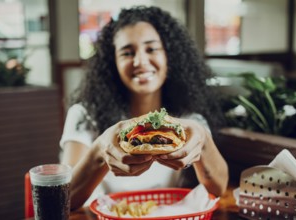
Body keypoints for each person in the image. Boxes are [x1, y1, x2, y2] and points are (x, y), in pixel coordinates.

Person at [60, 5, 229, 210]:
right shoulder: (85, 115)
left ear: (169, 57)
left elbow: (219, 188)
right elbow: (63, 202)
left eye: (151, 49)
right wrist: (100, 149)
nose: (140, 61)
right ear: (113, 63)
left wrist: (202, 139)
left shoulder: (189, 120)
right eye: (127, 53)